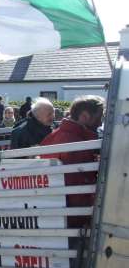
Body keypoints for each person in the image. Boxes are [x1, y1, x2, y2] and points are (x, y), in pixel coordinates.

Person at [41, 95, 104, 228]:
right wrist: (87, 220)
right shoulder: (77, 144)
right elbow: (78, 189)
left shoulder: (55, 135)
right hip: (71, 222)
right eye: (99, 118)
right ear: (85, 116)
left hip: (54, 216)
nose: (100, 123)